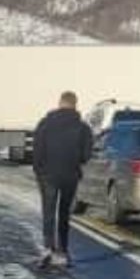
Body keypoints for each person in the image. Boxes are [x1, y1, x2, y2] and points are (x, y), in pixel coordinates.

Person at [32, 91, 93, 269]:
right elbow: (86, 154)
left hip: (48, 175)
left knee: (48, 212)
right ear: (75, 105)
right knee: (64, 214)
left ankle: (47, 250)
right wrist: (77, 162)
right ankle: (63, 252)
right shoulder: (83, 127)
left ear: (59, 103)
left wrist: (39, 171)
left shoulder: (45, 123)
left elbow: (37, 149)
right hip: (70, 175)